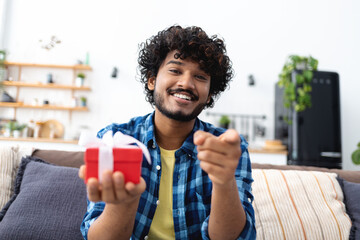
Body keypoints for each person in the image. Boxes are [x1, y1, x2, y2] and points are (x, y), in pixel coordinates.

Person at [80, 25, 256, 240]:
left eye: (200, 77)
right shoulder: (114, 140)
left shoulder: (226, 149)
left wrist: (224, 181)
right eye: (175, 70)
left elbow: (233, 237)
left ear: (210, 94)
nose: (186, 83)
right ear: (152, 80)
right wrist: (123, 204)